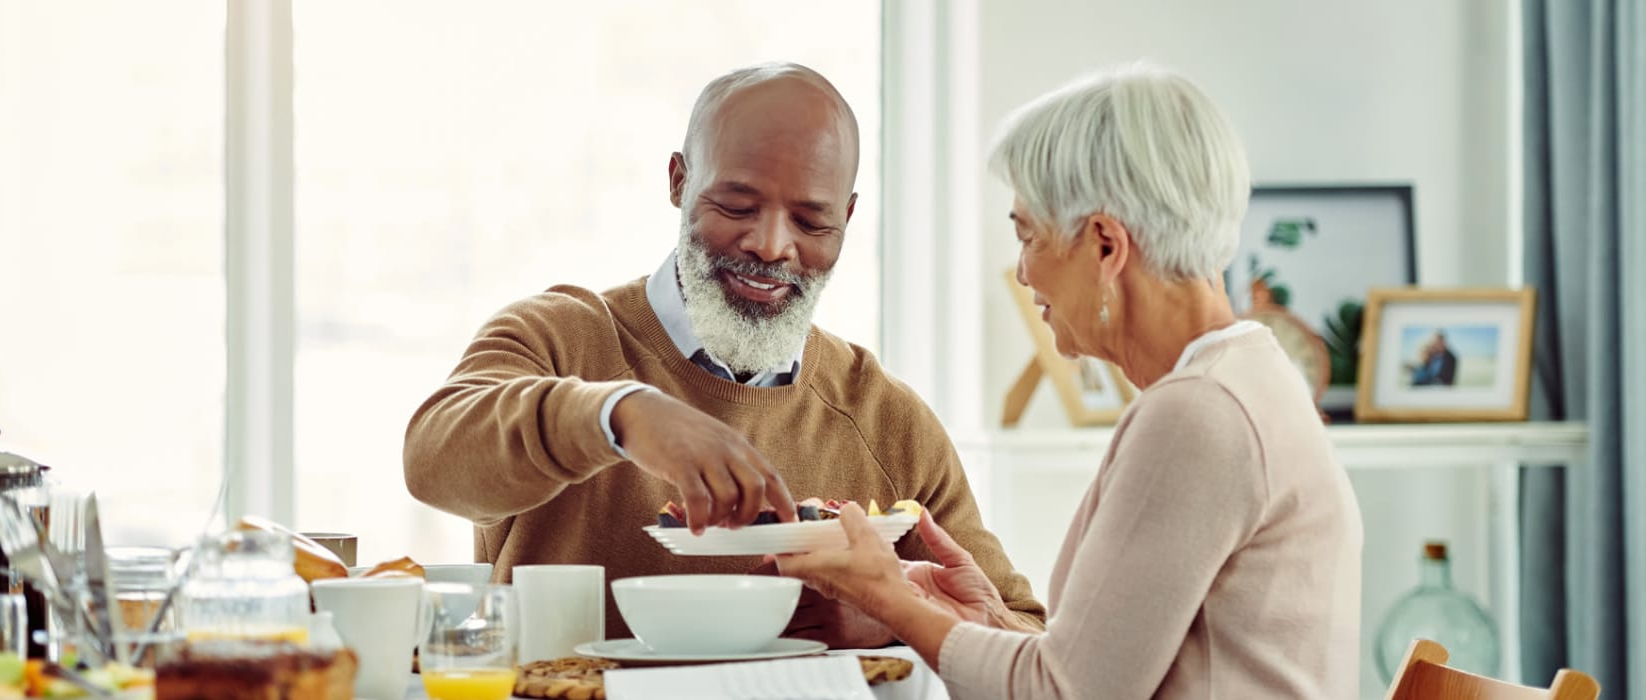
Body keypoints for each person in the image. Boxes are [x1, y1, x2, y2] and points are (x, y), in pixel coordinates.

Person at [403, 62, 1045, 646]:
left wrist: (899, 617)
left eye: (811, 223)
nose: (771, 246)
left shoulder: (885, 420)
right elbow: (432, 458)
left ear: (847, 218)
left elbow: (1027, 642)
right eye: (736, 205)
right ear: (679, 182)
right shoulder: (564, 338)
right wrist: (620, 413)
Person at [774, 64, 1363, 697]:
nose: (1023, 274)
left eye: (1026, 235)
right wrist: (989, 620)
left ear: (1106, 245)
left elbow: (1062, 695)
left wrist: (885, 597)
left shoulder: (1197, 413)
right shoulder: (1253, 374)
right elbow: (1099, 673)